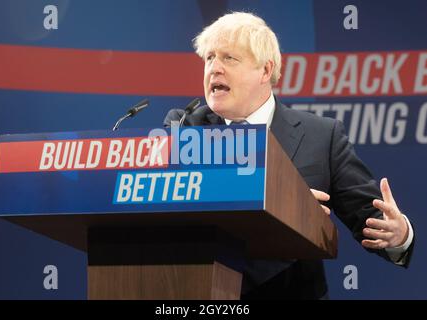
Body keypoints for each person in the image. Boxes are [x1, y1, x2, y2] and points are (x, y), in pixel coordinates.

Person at [164, 12, 414, 299]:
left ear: (265, 70)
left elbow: (371, 220)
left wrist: (398, 235)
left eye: (229, 58)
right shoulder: (185, 127)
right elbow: (170, 212)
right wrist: (283, 203)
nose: (214, 69)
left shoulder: (321, 136)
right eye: (209, 58)